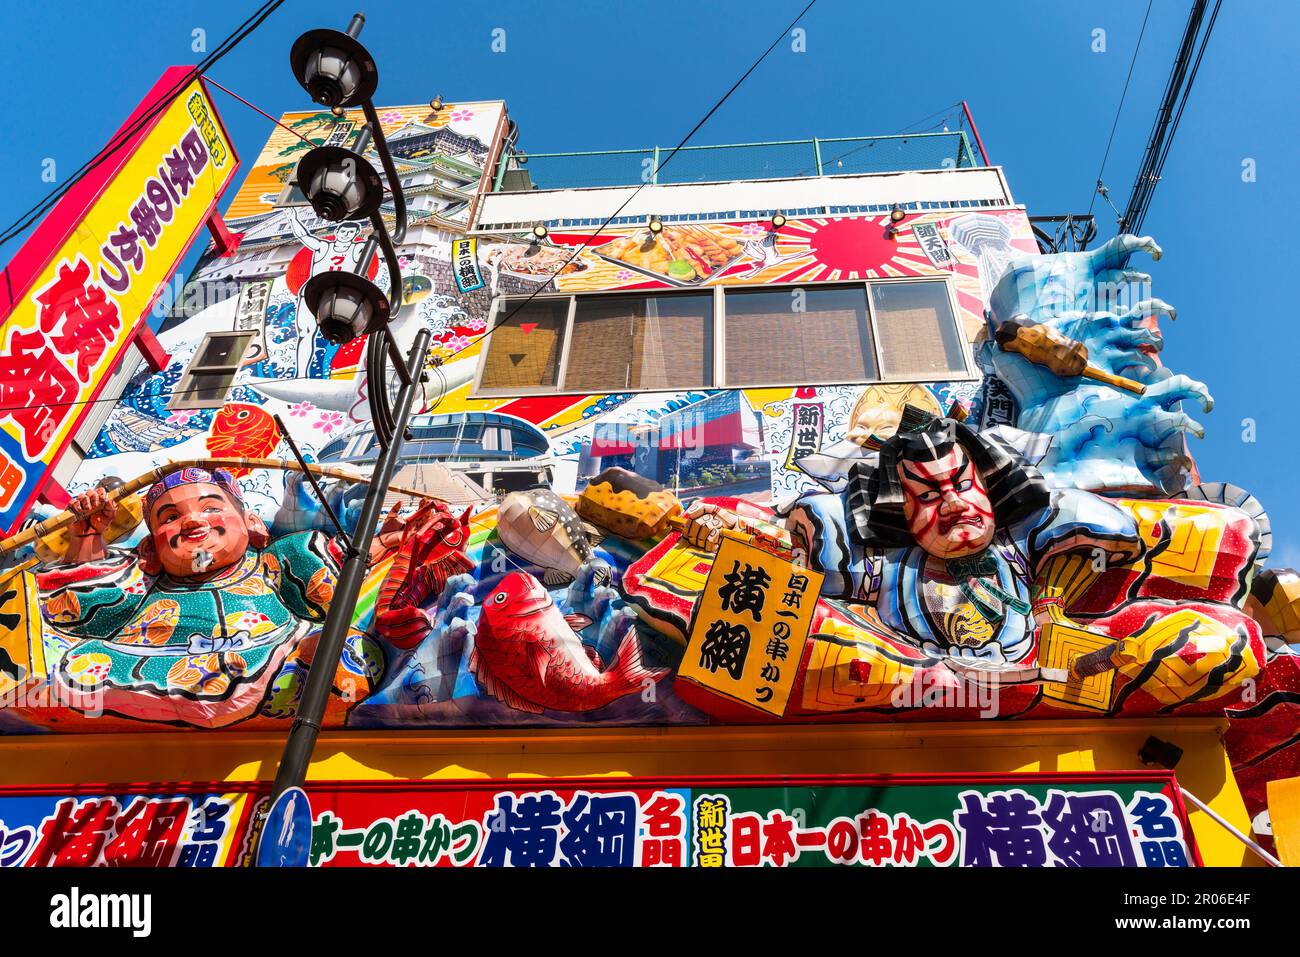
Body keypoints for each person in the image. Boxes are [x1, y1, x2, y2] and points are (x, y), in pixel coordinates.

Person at [37, 467, 380, 728]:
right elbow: (78, 616)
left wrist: (387, 544)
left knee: (336, 652)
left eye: (210, 508)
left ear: (252, 523)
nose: (192, 522)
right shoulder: (144, 584)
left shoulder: (277, 560)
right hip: (136, 674)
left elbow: (342, 595)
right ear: (151, 547)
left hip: (272, 669)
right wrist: (87, 536)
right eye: (170, 517)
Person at [287, 211, 366, 376]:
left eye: (350, 233)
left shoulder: (358, 248)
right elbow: (303, 236)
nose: (346, 235)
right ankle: (301, 375)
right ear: (337, 232)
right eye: (343, 231)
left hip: (341, 298)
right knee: (305, 333)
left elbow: (378, 243)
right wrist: (292, 217)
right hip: (312, 295)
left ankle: (336, 367)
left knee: (340, 331)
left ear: (355, 236)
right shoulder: (323, 246)